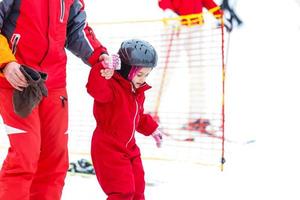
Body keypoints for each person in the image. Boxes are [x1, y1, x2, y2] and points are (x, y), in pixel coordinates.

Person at [0, 1, 113, 199]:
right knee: (25, 156)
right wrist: (6, 62)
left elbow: (76, 29)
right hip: (17, 81)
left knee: (55, 159)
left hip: (54, 83)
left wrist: (99, 55)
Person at [86, 39, 163, 200]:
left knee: (138, 190)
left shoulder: (136, 91)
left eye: (147, 74)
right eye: (140, 74)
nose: (143, 79)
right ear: (127, 69)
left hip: (130, 149)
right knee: (122, 192)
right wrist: (104, 67)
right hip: (108, 149)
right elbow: (95, 88)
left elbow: (137, 116)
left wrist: (152, 129)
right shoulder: (111, 86)